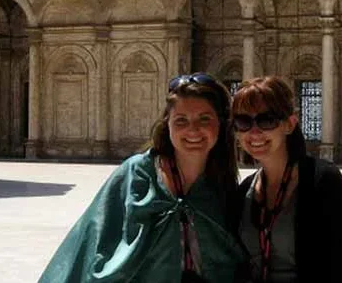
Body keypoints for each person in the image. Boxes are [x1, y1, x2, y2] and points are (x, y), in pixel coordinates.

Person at [38, 72, 248, 283]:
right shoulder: (138, 173)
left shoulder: (222, 183)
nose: (193, 130)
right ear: (167, 124)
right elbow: (93, 241)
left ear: (220, 124)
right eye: (181, 120)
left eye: (204, 119)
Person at [230, 76, 342, 283]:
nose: (254, 132)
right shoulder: (244, 190)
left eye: (266, 120)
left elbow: (333, 271)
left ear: (290, 124)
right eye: (243, 122)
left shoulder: (322, 182)